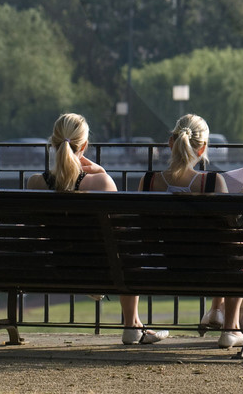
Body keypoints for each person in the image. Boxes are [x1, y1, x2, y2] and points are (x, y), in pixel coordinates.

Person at [26, 112, 168, 345]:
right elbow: (121, 234)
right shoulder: (101, 182)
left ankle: (136, 326)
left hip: (55, 265)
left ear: (53, 143)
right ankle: (132, 325)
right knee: (128, 251)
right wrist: (101, 172)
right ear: (84, 145)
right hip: (101, 268)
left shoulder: (35, 183)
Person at [138, 113, 243, 349]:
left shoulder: (147, 182)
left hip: (162, 267)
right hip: (210, 270)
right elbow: (227, 235)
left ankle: (131, 324)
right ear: (202, 149)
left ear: (171, 143)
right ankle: (231, 329)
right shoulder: (213, 182)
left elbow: (142, 233)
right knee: (239, 249)